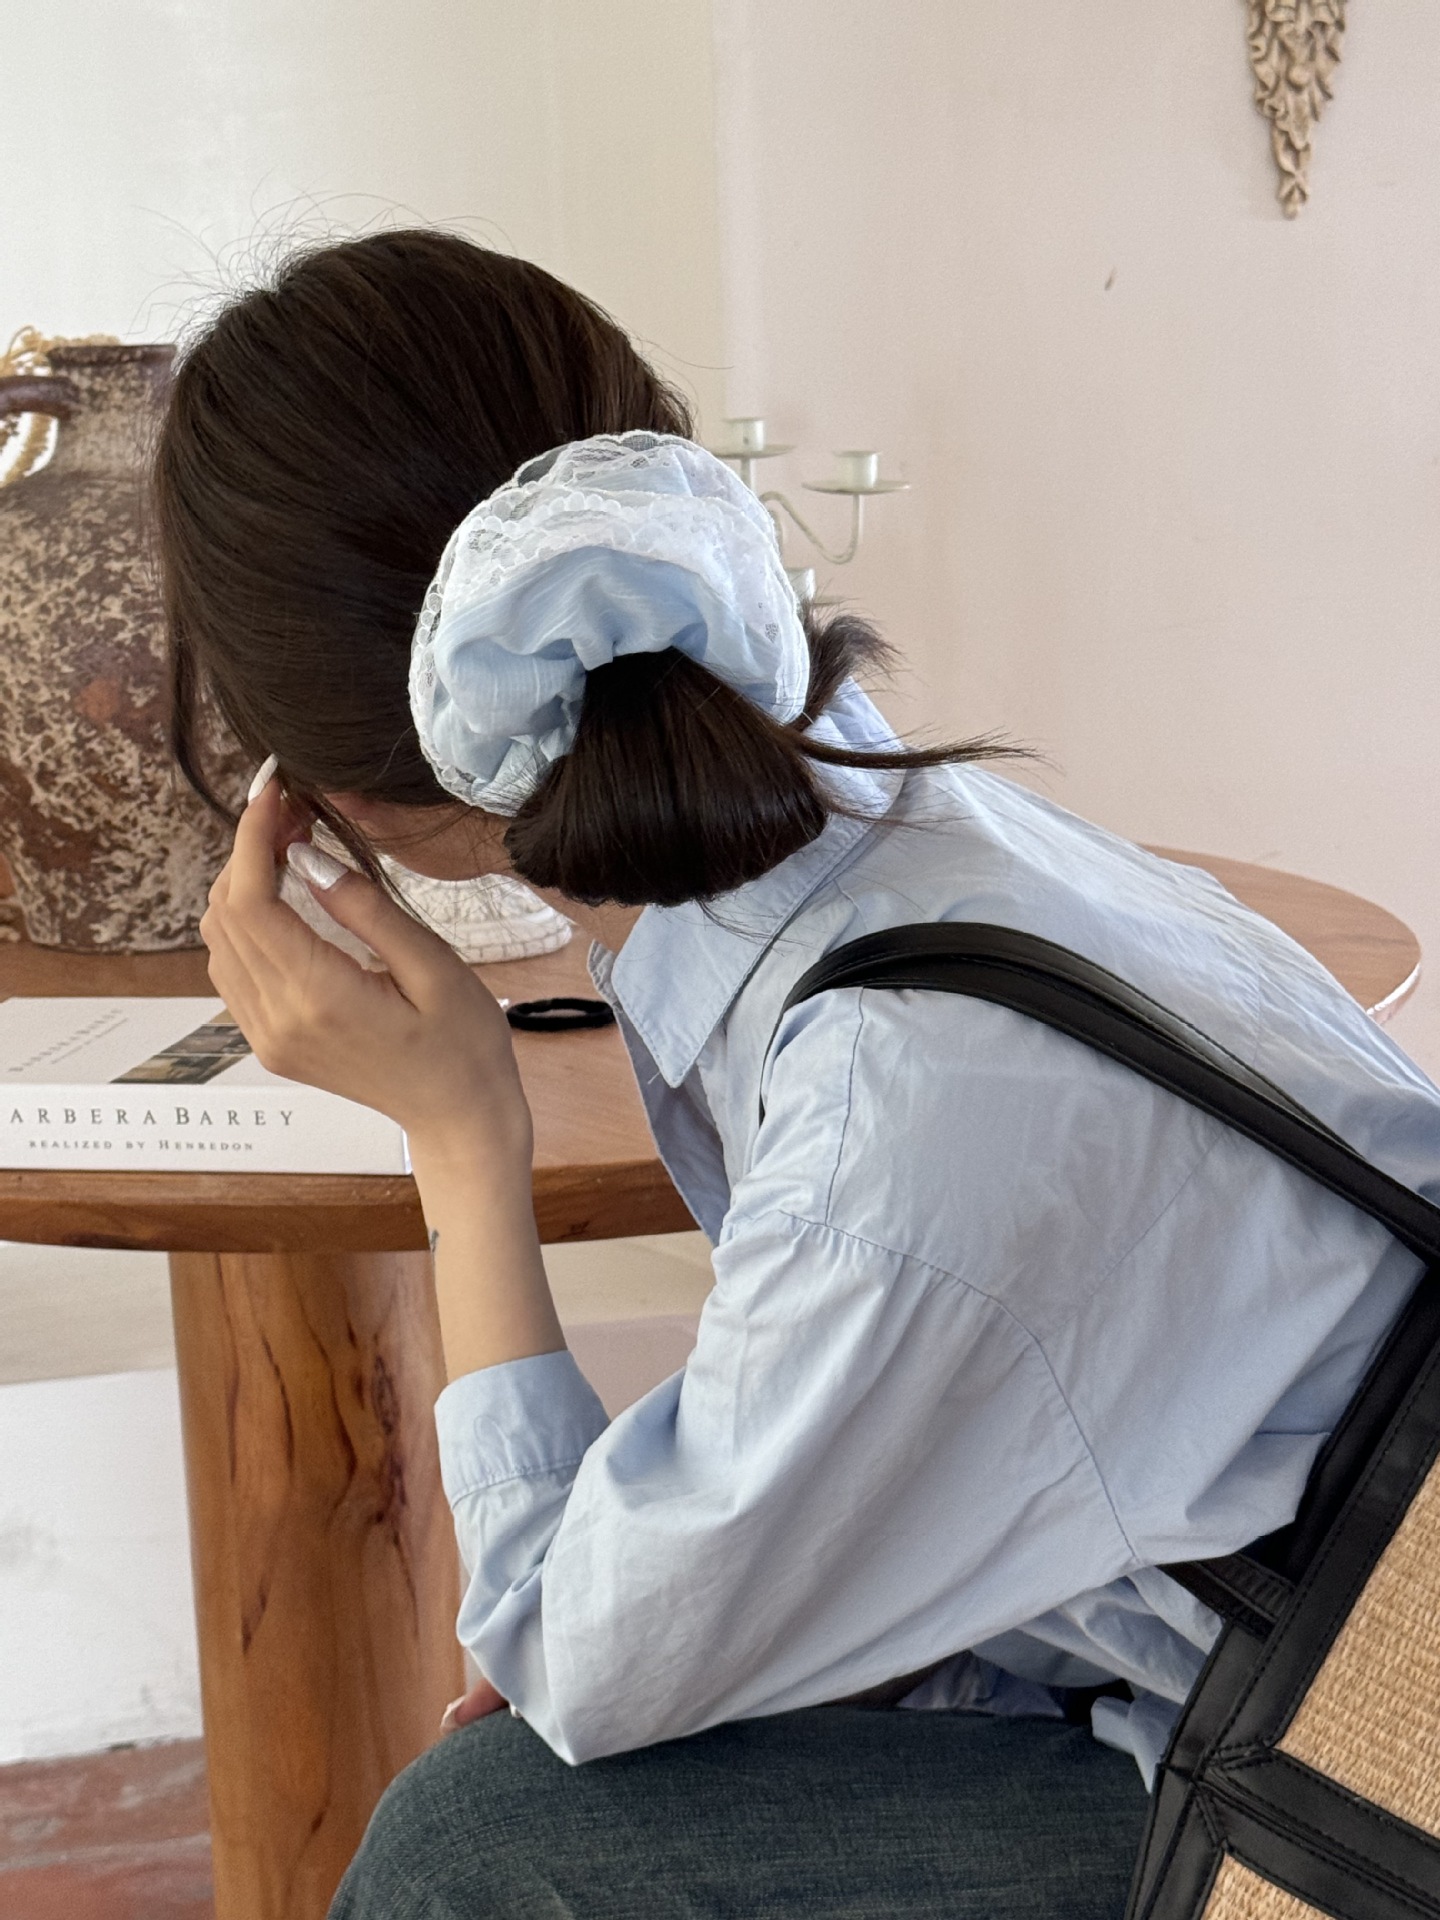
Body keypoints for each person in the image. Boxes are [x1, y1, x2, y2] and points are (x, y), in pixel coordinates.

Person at [153, 230, 1440, 1920]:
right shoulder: (936, 843)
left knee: (476, 1858)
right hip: (1313, 1640)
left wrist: (463, 1131)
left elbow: (561, 1656)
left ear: (329, 797)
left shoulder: (884, 1115)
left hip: (1362, 1774)